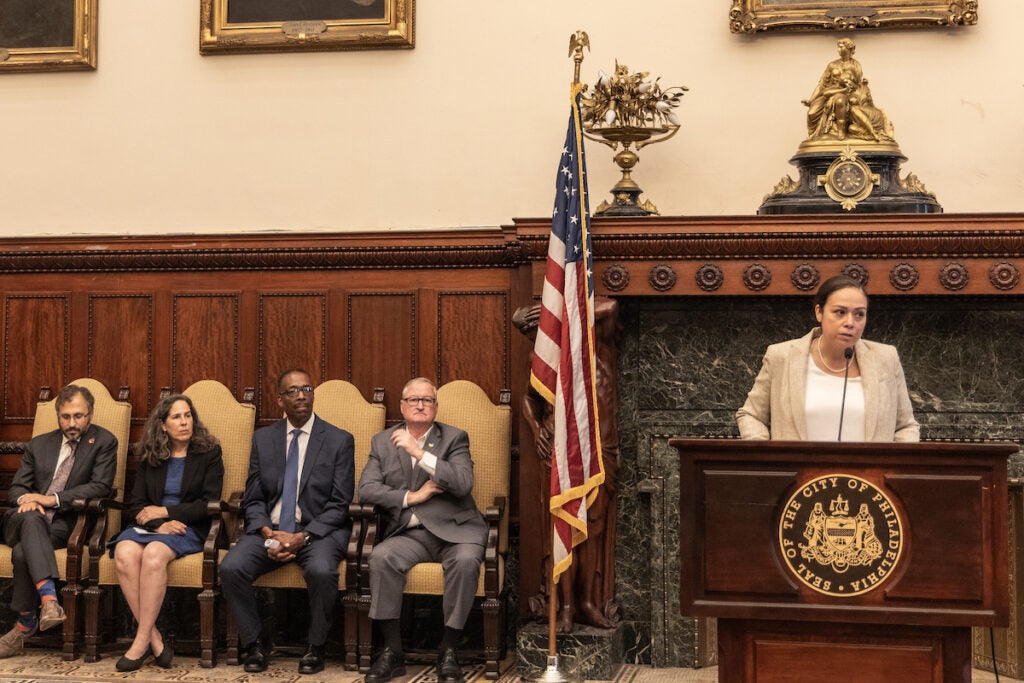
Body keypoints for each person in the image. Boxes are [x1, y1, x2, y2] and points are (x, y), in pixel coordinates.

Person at [220, 369, 355, 676]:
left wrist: (302, 537)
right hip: (271, 530)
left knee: (322, 571)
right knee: (231, 567)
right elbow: (253, 498)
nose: (301, 396)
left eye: (307, 389)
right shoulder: (263, 439)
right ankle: (255, 642)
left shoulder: (338, 440)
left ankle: (316, 646)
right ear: (279, 399)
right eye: (293, 391)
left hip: (318, 533)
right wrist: (267, 531)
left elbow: (340, 504)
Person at [359, 377, 487, 683]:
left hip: (456, 532)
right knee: (381, 558)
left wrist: (420, 453)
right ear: (402, 406)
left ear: (436, 407)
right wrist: (410, 497)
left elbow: (462, 482)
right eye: (414, 400)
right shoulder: (382, 441)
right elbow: (366, 490)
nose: (420, 405)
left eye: (427, 400)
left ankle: (449, 648)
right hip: (410, 533)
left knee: (467, 562)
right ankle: (393, 652)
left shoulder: (454, 438)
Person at [0, 384, 118, 659]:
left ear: (90, 414)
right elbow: (17, 489)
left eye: (79, 416)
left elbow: (100, 486)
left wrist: (49, 499)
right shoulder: (39, 444)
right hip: (19, 521)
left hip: (62, 523)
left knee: (22, 552)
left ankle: (25, 623)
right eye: (66, 417)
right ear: (58, 415)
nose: (72, 423)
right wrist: (26, 500)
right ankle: (50, 600)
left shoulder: (104, 441)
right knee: (30, 517)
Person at [108, 394, 223, 671]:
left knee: (155, 554)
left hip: (189, 528)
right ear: (162, 425)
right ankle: (155, 639)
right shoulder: (151, 456)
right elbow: (136, 505)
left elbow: (209, 504)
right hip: (154, 528)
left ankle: (139, 643)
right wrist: (158, 524)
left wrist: (166, 513)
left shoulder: (209, 453)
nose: (184, 422)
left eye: (187, 415)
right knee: (124, 552)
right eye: (176, 417)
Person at [736, 275, 919, 442]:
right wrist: (766, 457)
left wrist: (894, 470)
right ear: (819, 312)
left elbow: (906, 426)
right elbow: (751, 415)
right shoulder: (782, 357)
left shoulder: (885, 359)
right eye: (840, 312)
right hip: (799, 476)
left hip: (867, 477)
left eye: (859, 314)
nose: (850, 322)